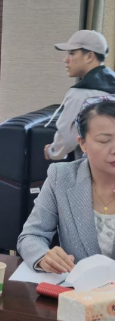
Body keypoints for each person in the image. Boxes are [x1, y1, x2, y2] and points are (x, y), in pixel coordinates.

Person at [18, 97, 115, 274]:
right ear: (82, 143)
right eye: (104, 140)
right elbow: (31, 235)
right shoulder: (61, 177)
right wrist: (44, 257)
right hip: (77, 288)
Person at [45, 30, 115, 161]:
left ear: (89, 56)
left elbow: (67, 139)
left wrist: (52, 151)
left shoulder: (82, 93)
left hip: (98, 167)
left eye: (72, 53)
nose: (66, 59)